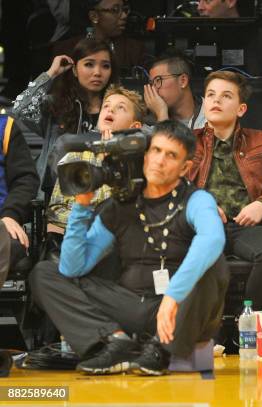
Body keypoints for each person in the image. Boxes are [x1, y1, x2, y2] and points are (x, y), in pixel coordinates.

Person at [29, 120, 229, 376]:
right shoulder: (119, 205)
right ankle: (114, 341)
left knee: (214, 263)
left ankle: (161, 350)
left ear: (185, 167)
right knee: (46, 273)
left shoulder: (197, 200)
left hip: (179, 311)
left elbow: (212, 240)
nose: (159, 161)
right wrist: (81, 207)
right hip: (130, 304)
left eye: (171, 155)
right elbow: (72, 268)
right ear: (145, 155)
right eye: (155, 151)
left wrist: (173, 296)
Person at [188, 71, 262, 311]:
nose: (216, 101)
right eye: (211, 95)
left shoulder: (261, 139)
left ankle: (249, 320)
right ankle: (209, 331)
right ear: (204, 103)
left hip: (248, 225)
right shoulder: (187, 141)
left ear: (241, 109)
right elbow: (172, 185)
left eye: (226, 96)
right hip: (203, 227)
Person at [44, 85, 146, 261]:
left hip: (119, 249)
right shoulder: (75, 155)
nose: (111, 109)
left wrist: (111, 160)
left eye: (120, 107)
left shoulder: (142, 164)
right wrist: (86, 221)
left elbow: (132, 217)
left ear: (135, 126)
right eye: (106, 106)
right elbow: (55, 211)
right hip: (77, 241)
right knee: (42, 272)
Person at [11, 38, 118, 198]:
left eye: (105, 66)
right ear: (74, 70)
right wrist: (50, 73)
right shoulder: (56, 105)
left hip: (103, 197)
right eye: (89, 64)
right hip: (56, 195)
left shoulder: (118, 109)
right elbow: (20, 108)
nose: (97, 72)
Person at [52, 0, 145, 71]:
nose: (124, 15)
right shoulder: (67, 51)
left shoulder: (134, 49)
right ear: (94, 16)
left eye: (125, 10)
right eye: (115, 10)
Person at [0, 115, 39, 273]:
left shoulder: (5, 127)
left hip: (1, 223)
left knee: (7, 246)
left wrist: (10, 215)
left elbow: (25, 180)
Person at [145, 52, 206, 131]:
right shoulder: (148, 123)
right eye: (151, 83)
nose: (154, 90)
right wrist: (161, 114)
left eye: (158, 80)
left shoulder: (212, 114)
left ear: (183, 81)